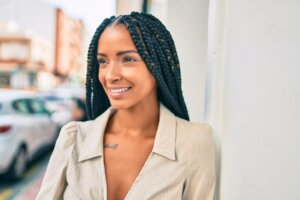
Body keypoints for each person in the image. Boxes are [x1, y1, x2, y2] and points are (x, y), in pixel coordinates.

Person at [36, 12, 215, 200]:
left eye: (128, 59)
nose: (110, 75)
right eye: (103, 61)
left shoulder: (195, 143)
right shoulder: (73, 139)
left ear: (157, 65)